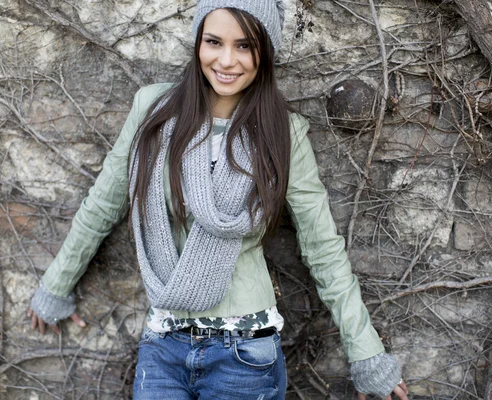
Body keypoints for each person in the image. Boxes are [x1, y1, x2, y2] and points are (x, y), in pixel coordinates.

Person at [27, 1, 409, 399]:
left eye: (245, 46)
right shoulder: (152, 110)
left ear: (265, 51)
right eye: (214, 41)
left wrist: (366, 352)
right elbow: (103, 205)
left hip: (245, 352)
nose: (227, 60)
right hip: (163, 345)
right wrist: (56, 284)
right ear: (198, 43)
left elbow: (322, 247)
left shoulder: (283, 133)